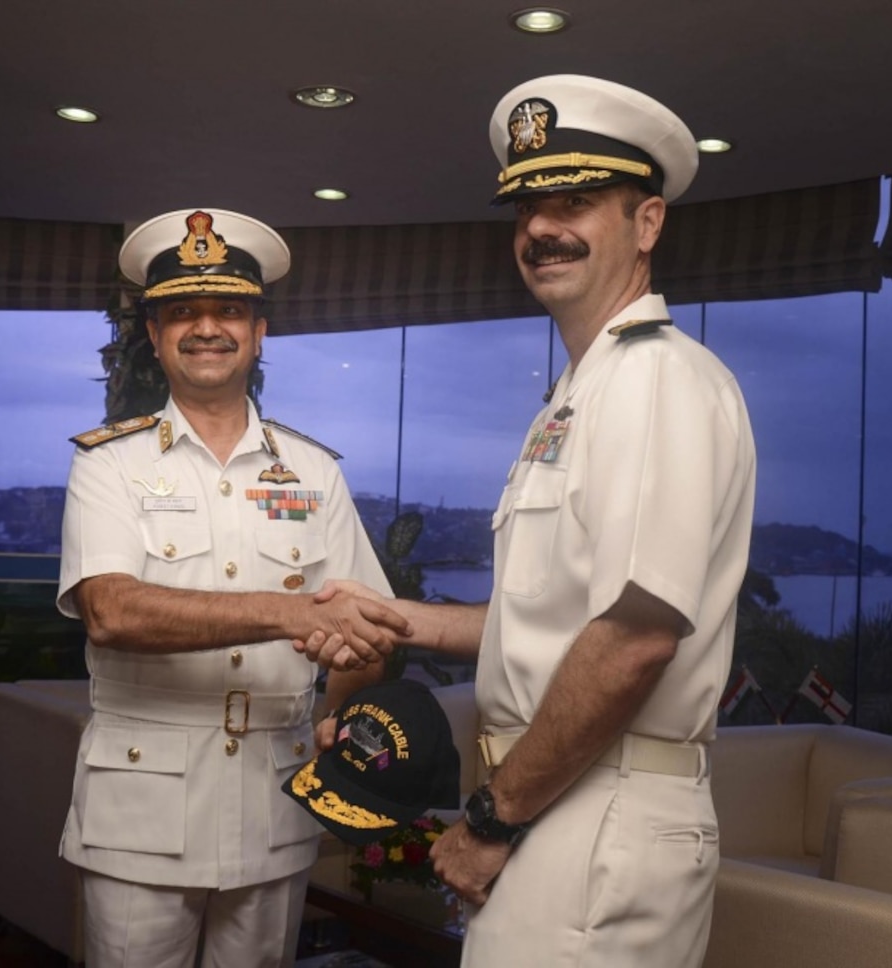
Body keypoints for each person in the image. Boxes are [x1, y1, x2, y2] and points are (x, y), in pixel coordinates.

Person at [301, 75, 757, 967]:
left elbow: (632, 641)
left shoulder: (657, 378)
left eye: (577, 202)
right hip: (570, 799)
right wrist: (396, 617)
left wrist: (490, 819)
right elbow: (559, 620)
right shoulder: (584, 394)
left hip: (595, 809)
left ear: (649, 223)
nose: (543, 228)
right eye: (528, 208)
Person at [55, 207, 409, 968]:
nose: (206, 327)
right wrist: (287, 614)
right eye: (182, 312)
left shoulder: (315, 471)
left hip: (274, 793)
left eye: (229, 311)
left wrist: (340, 712)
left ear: (258, 333)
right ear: (153, 335)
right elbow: (111, 612)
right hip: (143, 804)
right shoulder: (109, 464)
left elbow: (369, 628)